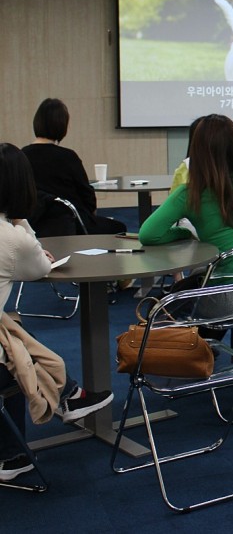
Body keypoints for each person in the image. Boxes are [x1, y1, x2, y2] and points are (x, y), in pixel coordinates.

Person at [0, 143, 113, 481]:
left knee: (14, 337)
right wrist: (22, 221)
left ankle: (16, 451)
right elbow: (38, 268)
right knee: (14, 350)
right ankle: (68, 395)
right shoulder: (12, 237)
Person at [139, 114, 233, 352]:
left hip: (222, 297)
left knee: (196, 307)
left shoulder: (189, 193)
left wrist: (185, 234)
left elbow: (149, 234)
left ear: (196, 151)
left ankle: (203, 355)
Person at [22, 98, 127, 236]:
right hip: (72, 224)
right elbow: (87, 198)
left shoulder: (22, 156)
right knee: (119, 228)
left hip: (34, 226)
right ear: (62, 125)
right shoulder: (68, 157)